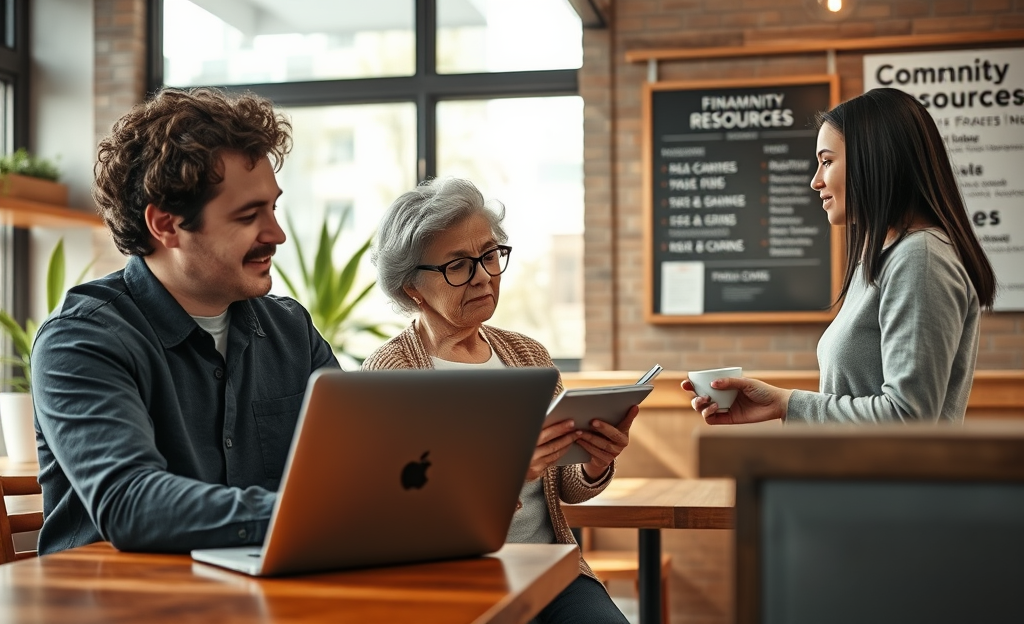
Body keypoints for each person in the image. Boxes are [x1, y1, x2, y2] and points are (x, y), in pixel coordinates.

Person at [31, 87, 339, 554]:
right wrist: (307, 512)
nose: (275, 234)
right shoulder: (80, 340)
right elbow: (131, 504)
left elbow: (352, 468)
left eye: (273, 207)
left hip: (265, 594)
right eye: (248, 216)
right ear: (166, 225)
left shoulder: (291, 330)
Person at [363, 177, 635, 624]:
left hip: (552, 574)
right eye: (459, 266)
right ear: (412, 287)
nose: (485, 276)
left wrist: (593, 462)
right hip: (448, 584)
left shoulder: (528, 355)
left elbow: (563, 485)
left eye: (490, 256)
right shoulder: (391, 375)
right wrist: (507, 473)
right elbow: (403, 518)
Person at [684, 87, 996, 425]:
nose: (815, 181)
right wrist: (780, 404)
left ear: (875, 160)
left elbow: (909, 417)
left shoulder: (919, 258)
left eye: (827, 161)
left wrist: (789, 403)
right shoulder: (888, 258)